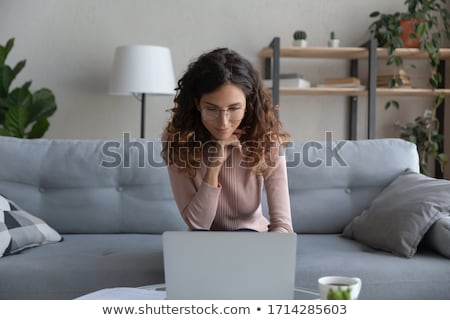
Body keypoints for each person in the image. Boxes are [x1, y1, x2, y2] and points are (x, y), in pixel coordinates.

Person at [161, 48, 293, 233]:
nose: (223, 122)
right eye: (212, 109)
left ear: (248, 104)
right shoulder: (176, 140)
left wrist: (271, 250)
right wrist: (214, 166)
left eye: (234, 108)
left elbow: (283, 225)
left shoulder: (267, 140)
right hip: (205, 244)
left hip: (253, 238)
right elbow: (198, 224)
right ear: (198, 104)